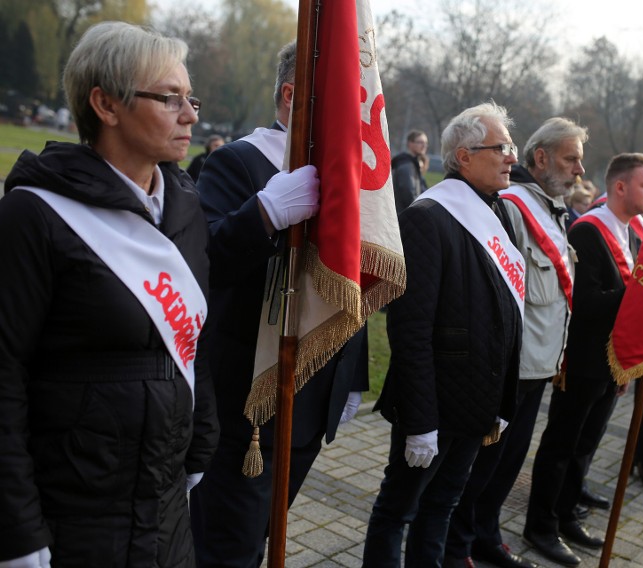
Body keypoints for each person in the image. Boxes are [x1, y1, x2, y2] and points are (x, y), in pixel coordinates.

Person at [0, 21, 218, 567]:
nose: (191, 115)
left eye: (190, 98)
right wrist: (17, 532)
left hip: (167, 513)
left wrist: (202, 441)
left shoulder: (186, 206)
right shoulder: (35, 214)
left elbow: (191, 335)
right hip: (71, 518)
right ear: (106, 104)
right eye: (170, 99)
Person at [189, 41, 369, 568]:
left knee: (269, 531)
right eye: (340, 100)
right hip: (249, 401)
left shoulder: (348, 174)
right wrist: (264, 214)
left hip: (313, 399)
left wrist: (350, 372)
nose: (352, 116)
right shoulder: (235, 162)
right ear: (292, 95)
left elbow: (348, 276)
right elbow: (208, 262)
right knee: (230, 545)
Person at [362, 102, 524, 567]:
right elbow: (411, 331)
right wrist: (420, 423)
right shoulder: (428, 218)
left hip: (478, 403)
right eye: (502, 148)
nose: (511, 157)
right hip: (433, 407)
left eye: (510, 147)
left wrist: (503, 399)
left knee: (442, 508)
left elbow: (506, 316)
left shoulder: (500, 215)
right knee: (398, 510)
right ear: (465, 155)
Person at [443, 117, 587, 568]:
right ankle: (457, 545)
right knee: (482, 467)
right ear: (540, 158)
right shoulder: (513, 204)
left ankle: (485, 536)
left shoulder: (549, 207)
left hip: (537, 364)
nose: (580, 170)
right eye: (571, 159)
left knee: (505, 467)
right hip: (510, 367)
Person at [524, 153, 643, 566]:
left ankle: (566, 514)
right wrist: (640, 291)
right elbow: (584, 302)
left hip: (610, 360)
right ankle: (540, 525)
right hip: (581, 360)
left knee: (586, 445)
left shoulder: (632, 231)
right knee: (561, 446)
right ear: (620, 187)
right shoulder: (589, 231)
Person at [391, 129, 429, 213]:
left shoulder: (413, 163)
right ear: (410, 143)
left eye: (426, 143)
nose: (424, 146)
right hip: (404, 215)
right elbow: (408, 194)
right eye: (420, 142)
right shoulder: (406, 165)